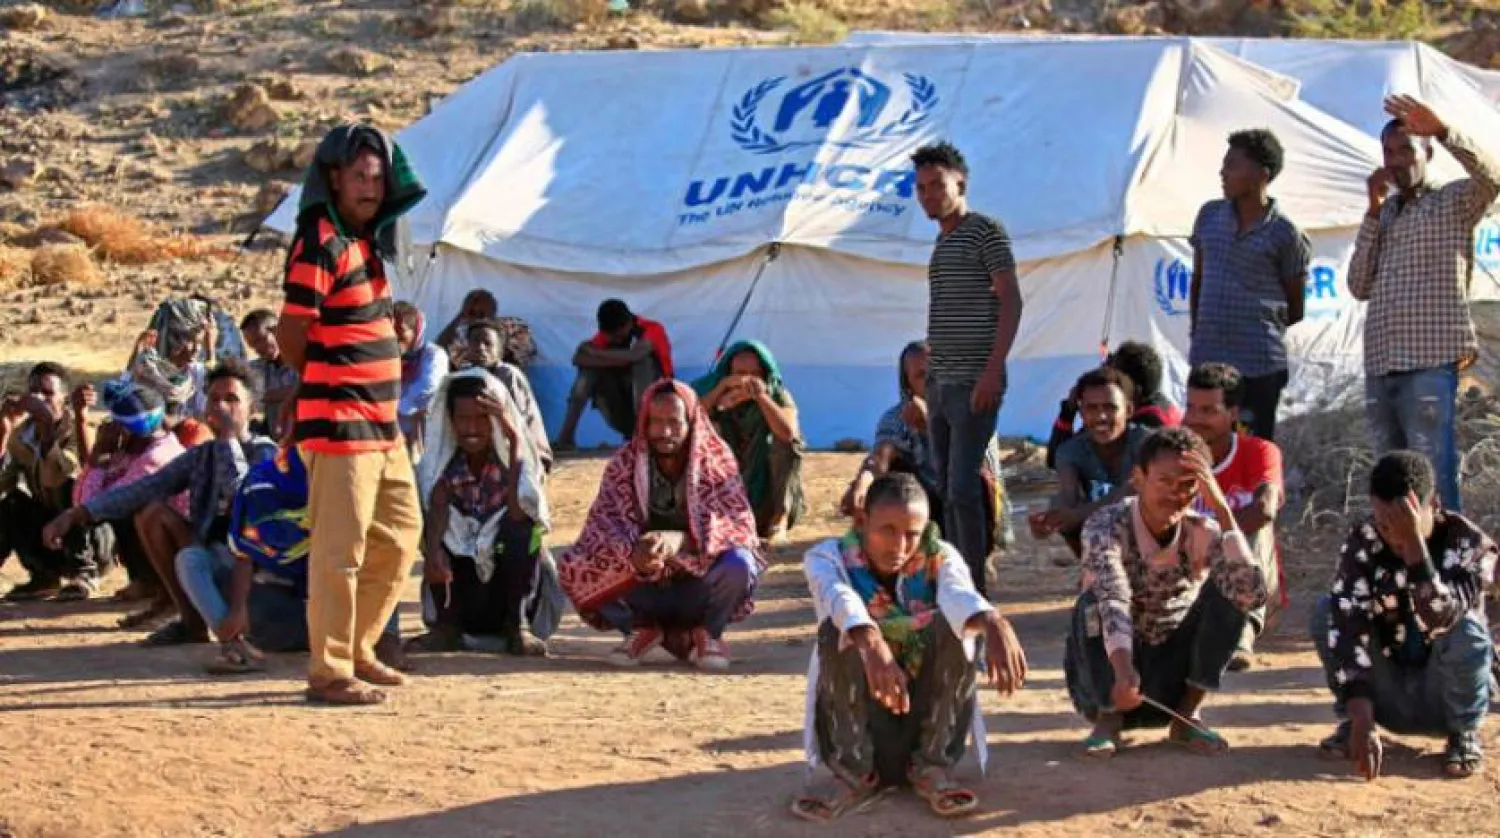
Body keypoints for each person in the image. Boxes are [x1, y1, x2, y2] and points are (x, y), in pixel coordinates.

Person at [276, 123, 426, 706]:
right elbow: (293, 332)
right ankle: (330, 669)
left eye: (378, 176)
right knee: (341, 550)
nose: (371, 186)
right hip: (339, 423)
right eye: (360, 175)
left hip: (380, 425)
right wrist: (323, 381)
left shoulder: (366, 244)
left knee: (398, 534)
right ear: (334, 178)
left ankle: (358, 647)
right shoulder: (320, 240)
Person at [795, 473, 1028, 822]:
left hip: (923, 719)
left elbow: (958, 594)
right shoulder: (826, 558)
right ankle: (853, 772)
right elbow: (838, 597)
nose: (900, 545)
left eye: (911, 534)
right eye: (887, 529)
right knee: (836, 629)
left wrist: (994, 621)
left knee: (954, 625)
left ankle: (932, 767)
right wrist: (871, 641)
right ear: (861, 521)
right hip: (860, 722)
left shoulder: (940, 557)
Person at [1065, 427, 1268, 758]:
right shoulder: (1105, 524)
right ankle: (1107, 722)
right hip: (1112, 677)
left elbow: (1252, 595)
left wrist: (1223, 511)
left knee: (1230, 591)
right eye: (1165, 481)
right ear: (1138, 477)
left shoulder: (1202, 530)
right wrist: (1123, 670)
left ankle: (1187, 716)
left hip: (1171, 678)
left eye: (1189, 485)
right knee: (1091, 604)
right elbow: (1112, 596)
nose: (1176, 494)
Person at [42, 362, 274, 642]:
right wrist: (77, 514)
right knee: (151, 514)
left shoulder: (266, 453)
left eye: (232, 399)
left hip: (254, 566)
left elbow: (244, 500)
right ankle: (192, 623)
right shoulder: (202, 455)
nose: (221, 407)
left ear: (252, 409)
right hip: (210, 554)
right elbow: (143, 489)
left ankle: (234, 630)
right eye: (214, 399)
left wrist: (227, 439)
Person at [1349, 97, 1500, 514]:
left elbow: (1492, 177)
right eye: (1389, 152)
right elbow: (1358, 285)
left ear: (1427, 154)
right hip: (1381, 363)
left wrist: (1445, 130)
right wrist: (1373, 210)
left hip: (1429, 362)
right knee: (1390, 479)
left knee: (1431, 474)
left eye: (1407, 150)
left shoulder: (1451, 203)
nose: (1396, 161)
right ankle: (1403, 567)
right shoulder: (1386, 214)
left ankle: (1445, 566)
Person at [1311, 451, 1496, 780]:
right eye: (1384, 523)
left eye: (1404, 522)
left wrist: (1414, 546)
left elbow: (1443, 617)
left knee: (1467, 629)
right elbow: (1347, 627)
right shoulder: (1364, 541)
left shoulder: (1470, 545)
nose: (1391, 534)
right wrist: (1363, 722)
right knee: (1327, 611)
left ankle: (1463, 735)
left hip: (1444, 700)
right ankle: (1354, 724)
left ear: (1434, 505)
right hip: (1386, 696)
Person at [559, 380, 762, 669]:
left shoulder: (717, 462)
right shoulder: (623, 464)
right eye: (656, 422)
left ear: (691, 422)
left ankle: (708, 633)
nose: (665, 432)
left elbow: (738, 528)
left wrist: (678, 542)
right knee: (574, 563)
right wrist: (634, 552)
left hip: (698, 584)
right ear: (644, 421)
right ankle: (641, 629)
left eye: (674, 423)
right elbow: (604, 525)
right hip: (643, 583)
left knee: (740, 561)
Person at [181, 443, 407, 675]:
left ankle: (380, 640)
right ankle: (236, 647)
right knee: (190, 560)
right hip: (279, 609)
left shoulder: (355, 474)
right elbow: (244, 550)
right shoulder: (264, 481)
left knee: (386, 545)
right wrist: (238, 609)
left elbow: (383, 551)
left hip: (341, 613)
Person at [913, 142, 1023, 597]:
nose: (928, 195)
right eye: (920, 188)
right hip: (942, 381)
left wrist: (993, 371)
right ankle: (955, 576)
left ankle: (972, 586)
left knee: (962, 487)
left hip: (975, 380)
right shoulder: (941, 243)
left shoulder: (985, 232)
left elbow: (1011, 300)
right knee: (945, 487)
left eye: (937, 185)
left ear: (961, 183)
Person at [413, 371, 552, 656]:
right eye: (463, 419)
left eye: (481, 418)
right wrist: (435, 549)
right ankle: (447, 628)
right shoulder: (445, 465)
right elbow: (437, 509)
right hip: (466, 594)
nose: (471, 428)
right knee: (436, 534)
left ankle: (519, 627)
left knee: (522, 532)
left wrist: (512, 437)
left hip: (507, 593)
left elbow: (517, 511)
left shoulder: (509, 462)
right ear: (450, 421)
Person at [1189, 129, 1312, 442]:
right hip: (1208, 359)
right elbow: (1199, 282)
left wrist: (1255, 325)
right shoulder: (1208, 216)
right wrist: (1200, 330)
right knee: (1203, 447)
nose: (1223, 172)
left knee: (1252, 449)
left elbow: (1294, 308)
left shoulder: (1285, 234)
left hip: (1257, 365)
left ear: (1262, 175)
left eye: (1232, 165)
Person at [839, 341, 1011, 562]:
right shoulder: (898, 416)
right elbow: (883, 454)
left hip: (973, 509)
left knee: (973, 480)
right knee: (894, 475)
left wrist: (930, 427)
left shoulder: (972, 409)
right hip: (926, 507)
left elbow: (970, 463)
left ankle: (973, 563)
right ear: (908, 385)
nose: (933, 383)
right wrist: (863, 481)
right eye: (921, 376)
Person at [1183, 363, 1285, 671]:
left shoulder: (1259, 452)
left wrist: (1210, 537)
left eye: (1208, 410)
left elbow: (1265, 509)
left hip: (1243, 574)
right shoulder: (1173, 453)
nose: (1196, 419)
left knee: (1254, 525)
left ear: (1233, 413)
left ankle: (1241, 631)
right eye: (1191, 408)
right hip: (1185, 574)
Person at [73, 381, 189, 622]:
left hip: (182, 547)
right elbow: (88, 494)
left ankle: (164, 591)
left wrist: (100, 452)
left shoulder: (152, 460)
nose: (108, 428)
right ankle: (155, 589)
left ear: (127, 429)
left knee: (128, 513)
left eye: (114, 423)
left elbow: (87, 505)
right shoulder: (141, 448)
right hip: (176, 542)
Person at [0, 362, 113, 602]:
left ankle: (85, 573)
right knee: (10, 503)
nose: (39, 399)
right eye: (34, 393)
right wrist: (4, 432)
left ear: (65, 398)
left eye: (48, 393)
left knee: (71, 490)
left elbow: (57, 479)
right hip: (49, 534)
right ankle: (44, 576)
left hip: (90, 536)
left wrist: (48, 433)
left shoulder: (79, 430)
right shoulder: (23, 436)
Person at [1030, 367, 1149, 559]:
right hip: (1109, 530)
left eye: (1110, 407)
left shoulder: (1147, 443)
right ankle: (1094, 570)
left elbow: (1133, 490)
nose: (1101, 417)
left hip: (1151, 536)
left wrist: (1077, 515)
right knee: (1058, 504)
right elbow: (1068, 495)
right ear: (1081, 412)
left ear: (1128, 410)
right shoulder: (1070, 451)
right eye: (1091, 408)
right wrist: (1050, 521)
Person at [694, 340, 805, 540]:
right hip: (726, 498)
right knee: (710, 430)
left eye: (754, 374)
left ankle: (779, 518)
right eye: (739, 373)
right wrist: (721, 390)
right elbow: (690, 421)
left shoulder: (777, 395)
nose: (746, 380)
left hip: (766, 497)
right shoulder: (716, 392)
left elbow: (788, 433)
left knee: (785, 443)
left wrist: (761, 397)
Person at [554, 299, 675, 450]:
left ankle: (643, 435)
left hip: (656, 408)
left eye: (618, 336)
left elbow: (636, 355)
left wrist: (597, 354)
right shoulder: (607, 334)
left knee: (642, 363)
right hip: (621, 410)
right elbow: (579, 358)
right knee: (589, 370)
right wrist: (611, 358)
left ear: (628, 324)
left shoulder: (652, 329)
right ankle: (565, 438)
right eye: (611, 336)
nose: (614, 340)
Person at [1046, 341, 1181, 470]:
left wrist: (1068, 412)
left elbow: (1058, 459)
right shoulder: (1162, 406)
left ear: (1134, 390)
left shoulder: (1142, 424)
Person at [463, 318, 553, 472]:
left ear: (501, 351)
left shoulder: (507, 374)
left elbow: (518, 419)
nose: (480, 348)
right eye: (475, 342)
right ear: (467, 347)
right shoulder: (464, 376)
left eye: (488, 343)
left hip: (522, 446)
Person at [434, 289, 537, 370]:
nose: (477, 318)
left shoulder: (514, 328)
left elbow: (520, 359)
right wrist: (460, 315)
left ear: (493, 310)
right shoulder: (463, 337)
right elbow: (437, 352)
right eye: (472, 313)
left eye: (482, 313)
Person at [394, 301, 450, 447]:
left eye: (400, 330)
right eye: (389, 329)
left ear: (416, 330)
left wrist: (390, 406)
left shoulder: (433, 355)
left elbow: (427, 388)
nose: (394, 335)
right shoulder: (382, 356)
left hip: (421, 435)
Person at [239, 309, 298, 438]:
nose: (258, 349)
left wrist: (268, 395)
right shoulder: (257, 368)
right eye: (253, 345)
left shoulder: (303, 362)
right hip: (276, 442)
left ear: (277, 331)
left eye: (261, 340)